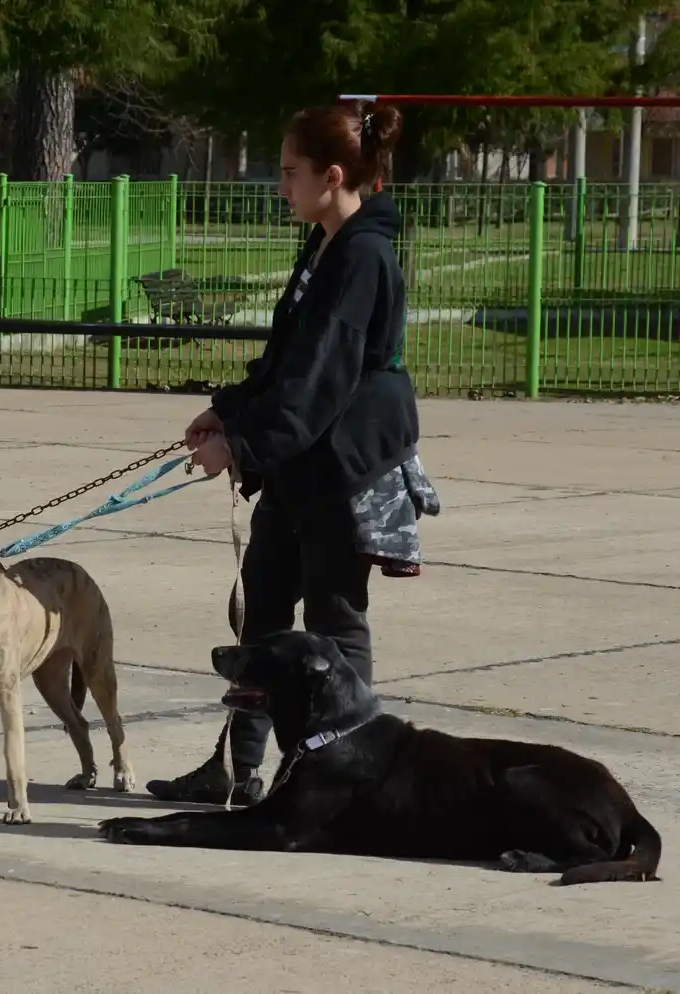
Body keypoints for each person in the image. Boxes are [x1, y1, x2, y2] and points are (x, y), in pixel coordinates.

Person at [146, 102, 439, 807]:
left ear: (332, 176)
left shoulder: (362, 257)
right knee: (262, 619)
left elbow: (319, 382)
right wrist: (229, 408)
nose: (280, 185)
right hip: (299, 465)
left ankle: (352, 780)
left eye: (289, 172)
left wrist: (241, 445)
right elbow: (288, 357)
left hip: (342, 471)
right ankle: (237, 770)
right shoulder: (325, 244)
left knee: (335, 626)